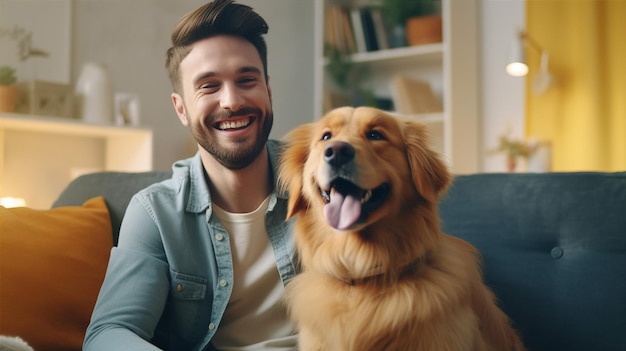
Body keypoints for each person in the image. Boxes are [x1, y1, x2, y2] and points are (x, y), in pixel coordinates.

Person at [83, 1, 299, 350]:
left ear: (268, 92)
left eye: (247, 80)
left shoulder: (323, 179)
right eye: (208, 86)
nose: (231, 101)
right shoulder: (156, 213)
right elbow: (108, 335)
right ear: (181, 108)